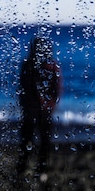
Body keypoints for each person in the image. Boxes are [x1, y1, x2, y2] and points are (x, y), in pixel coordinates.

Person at [17, 37, 62, 175]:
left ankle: (38, 169)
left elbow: (56, 89)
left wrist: (50, 104)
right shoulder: (30, 65)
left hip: (41, 110)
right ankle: (28, 168)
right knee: (29, 139)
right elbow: (23, 87)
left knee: (41, 141)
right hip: (34, 109)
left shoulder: (50, 66)